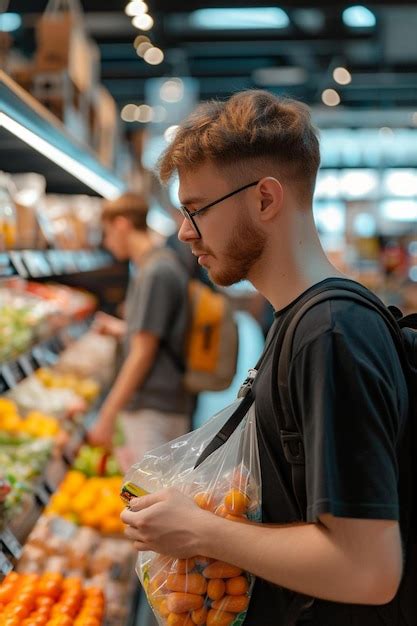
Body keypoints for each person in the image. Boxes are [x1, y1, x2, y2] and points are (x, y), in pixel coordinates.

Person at [121, 91, 415, 625]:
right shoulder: (301, 320)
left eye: (196, 209)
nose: (185, 232)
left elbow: (369, 569)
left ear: (264, 199)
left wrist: (203, 530)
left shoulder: (330, 334)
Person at [87, 192, 193, 470]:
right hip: (161, 401)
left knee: (147, 501)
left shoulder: (155, 272)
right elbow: (156, 334)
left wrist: (107, 416)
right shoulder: (155, 264)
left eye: (107, 233)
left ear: (121, 224)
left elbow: (143, 353)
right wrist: (124, 329)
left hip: (153, 407)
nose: (106, 243)